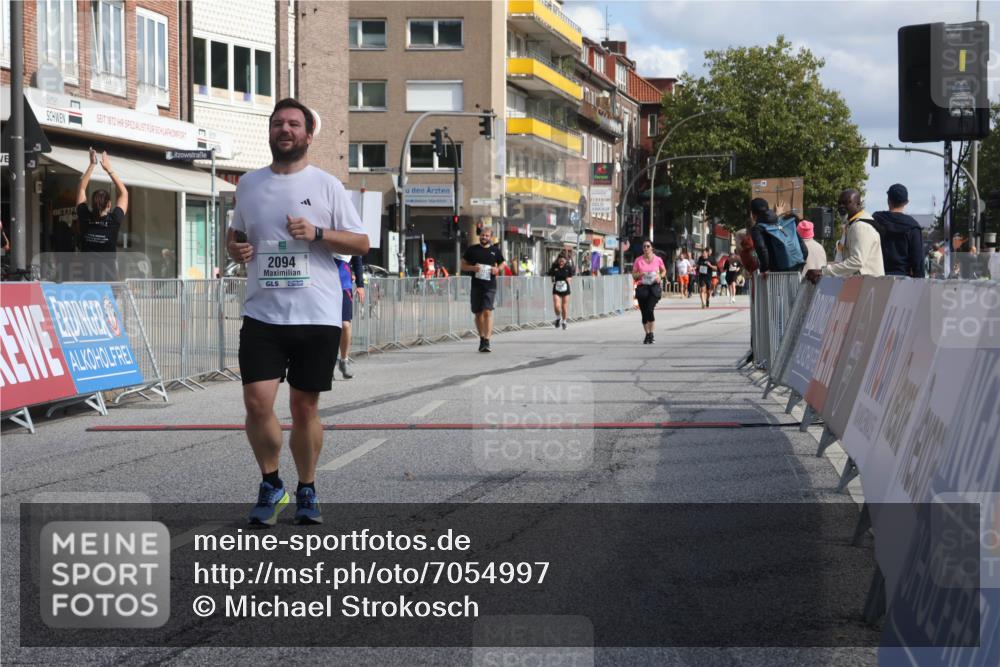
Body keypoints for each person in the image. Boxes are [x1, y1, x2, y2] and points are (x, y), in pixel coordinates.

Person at [227, 98, 370, 526]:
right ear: (269, 132)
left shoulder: (327, 185)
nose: (284, 130)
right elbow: (235, 238)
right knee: (257, 403)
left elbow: (361, 244)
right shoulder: (248, 185)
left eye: (293, 124)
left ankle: (306, 487)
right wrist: (235, 249)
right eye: (277, 124)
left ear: (308, 134)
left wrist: (319, 232)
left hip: (316, 313)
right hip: (263, 313)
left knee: (304, 407)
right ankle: (272, 483)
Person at [806, 189, 884, 283]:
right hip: (861, 285)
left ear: (858, 204)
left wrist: (824, 271)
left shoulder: (861, 227)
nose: (841, 207)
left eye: (846, 203)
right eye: (839, 203)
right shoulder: (851, 225)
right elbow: (845, 259)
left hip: (867, 287)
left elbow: (856, 261)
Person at [77, 148, 128, 282]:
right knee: (108, 303)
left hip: (87, 278)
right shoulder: (114, 219)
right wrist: (108, 169)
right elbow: (124, 193)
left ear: (92, 204)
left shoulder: (84, 217)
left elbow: (81, 188)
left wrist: (92, 165)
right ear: (109, 204)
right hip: (109, 278)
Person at [460, 225, 506, 352]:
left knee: (487, 311)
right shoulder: (472, 250)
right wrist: (472, 268)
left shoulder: (495, 251)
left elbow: (502, 263)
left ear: (491, 237)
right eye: (482, 235)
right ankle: (481, 338)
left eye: (487, 236)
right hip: (476, 286)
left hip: (490, 285)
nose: (484, 237)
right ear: (479, 236)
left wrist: (497, 269)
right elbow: (463, 265)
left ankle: (487, 340)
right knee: (478, 313)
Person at [871, 184, 925, 277]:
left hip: (878, 277)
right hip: (904, 280)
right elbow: (918, 261)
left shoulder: (876, 219)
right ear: (906, 202)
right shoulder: (913, 226)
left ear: (888, 200)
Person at [749, 198, 808, 274]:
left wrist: (764, 269)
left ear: (753, 214)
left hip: (775, 273)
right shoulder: (785, 222)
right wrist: (799, 265)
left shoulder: (757, 229)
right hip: (796, 270)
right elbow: (804, 249)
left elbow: (762, 249)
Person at [333, 254, 365, 380]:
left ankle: (344, 361)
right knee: (328, 327)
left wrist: (360, 285)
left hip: (344, 284)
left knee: (345, 325)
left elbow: (357, 260)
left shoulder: (350, 235)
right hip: (325, 283)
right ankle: (328, 364)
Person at [632, 239, 666, 343]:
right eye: (644, 247)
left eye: (648, 246)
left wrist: (660, 276)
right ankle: (647, 335)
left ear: (652, 248)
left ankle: (651, 333)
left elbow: (664, 271)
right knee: (644, 313)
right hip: (642, 288)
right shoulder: (638, 260)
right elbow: (634, 275)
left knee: (649, 309)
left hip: (654, 287)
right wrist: (640, 274)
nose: (646, 248)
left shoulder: (658, 259)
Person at [548, 254, 574, 329]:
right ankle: (558, 318)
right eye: (560, 260)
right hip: (557, 288)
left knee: (564, 307)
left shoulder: (568, 267)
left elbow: (570, 276)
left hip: (565, 288)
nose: (561, 262)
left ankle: (564, 321)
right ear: (558, 260)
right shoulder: (555, 266)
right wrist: (552, 279)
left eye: (563, 261)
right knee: (557, 306)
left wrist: (569, 279)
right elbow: (551, 274)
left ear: (565, 261)